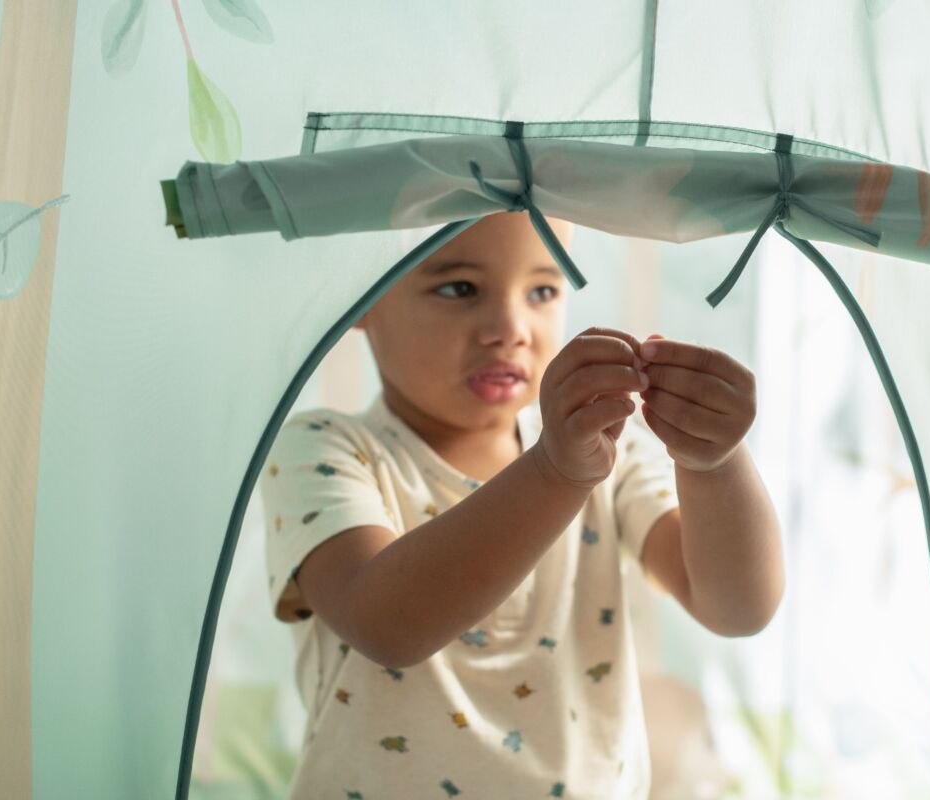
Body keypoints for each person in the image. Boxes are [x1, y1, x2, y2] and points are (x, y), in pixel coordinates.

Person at [259, 211, 785, 799]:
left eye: (542, 291)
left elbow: (737, 609)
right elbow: (387, 626)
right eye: (459, 288)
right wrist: (555, 472)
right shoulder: (323, 449)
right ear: (362, 296)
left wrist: (715, 465)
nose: (511, 328)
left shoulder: (611, 455)